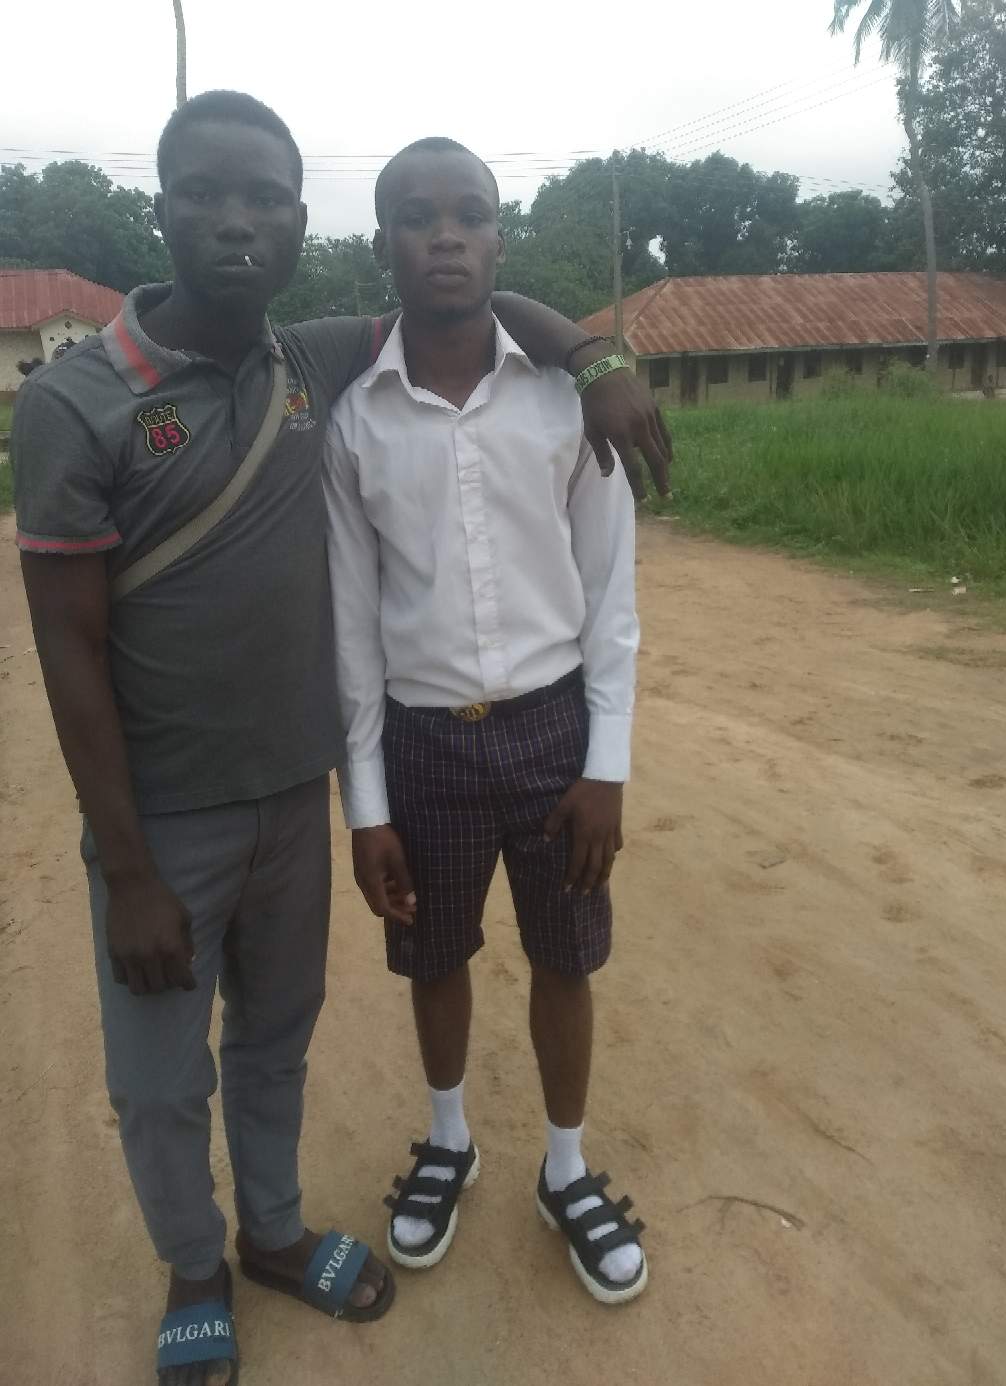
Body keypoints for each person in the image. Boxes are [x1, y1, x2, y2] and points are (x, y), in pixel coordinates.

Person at [11, 94, 669, 1385]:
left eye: (264, 198)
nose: (236, 221)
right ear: (162, 208)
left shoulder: (331, 368)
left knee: (286, 1034)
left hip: (321, 788)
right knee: (171, 1073)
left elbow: (477, 328)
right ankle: (206, 1261)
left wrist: (593, 357)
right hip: (196, 805)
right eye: (205, 193)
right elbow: (88, 647)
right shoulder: (135, 401)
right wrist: (146, 858)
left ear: (300, 222)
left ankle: (306, 1227)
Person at [324, 137, 647, 1307]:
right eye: (418, 217)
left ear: (500, 240)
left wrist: (604, 766)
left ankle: (564, 1168)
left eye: (470, 213)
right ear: (384, 244)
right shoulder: (354, 422)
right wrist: (366, 807)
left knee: (565, 955)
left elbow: (609, 600)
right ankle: (449, 1139)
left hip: (554, 734)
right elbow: (352, 632)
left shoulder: (567, 400)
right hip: (423, 743)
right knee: (434, 954)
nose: (446, 235)